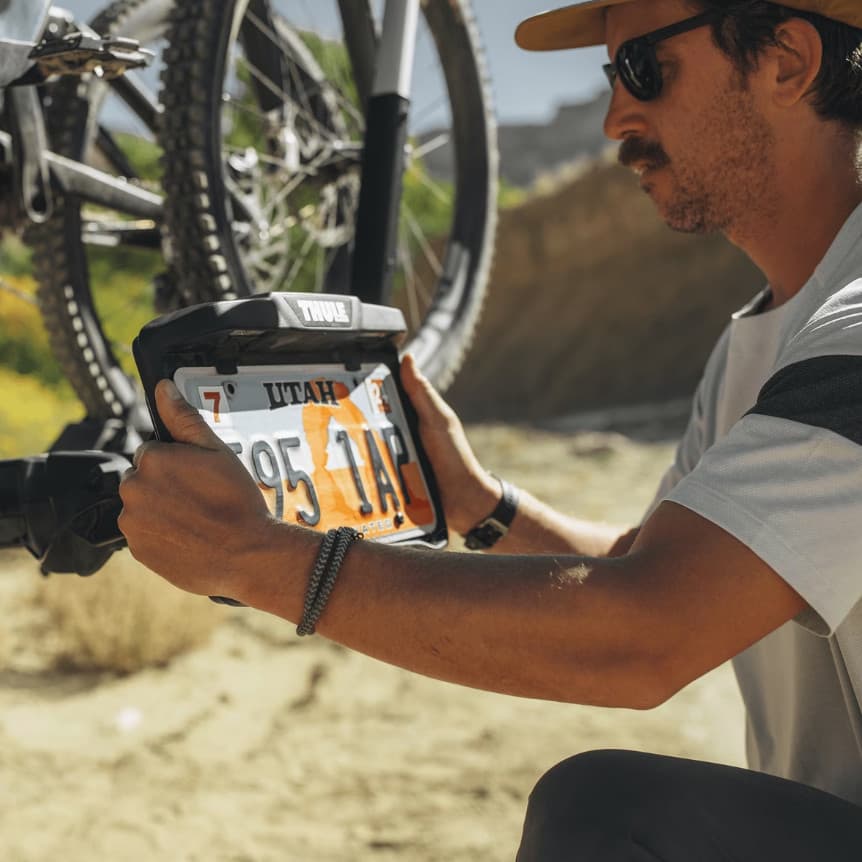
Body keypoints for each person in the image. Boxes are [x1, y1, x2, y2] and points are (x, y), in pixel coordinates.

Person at [119, 0, 862, 857]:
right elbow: (650, 564)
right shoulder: (758, 342)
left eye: (643, 70)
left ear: (786, 62)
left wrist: (265, 562)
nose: (618, 117)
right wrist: (480, 503)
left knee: (606, 806)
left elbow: (649, 630)